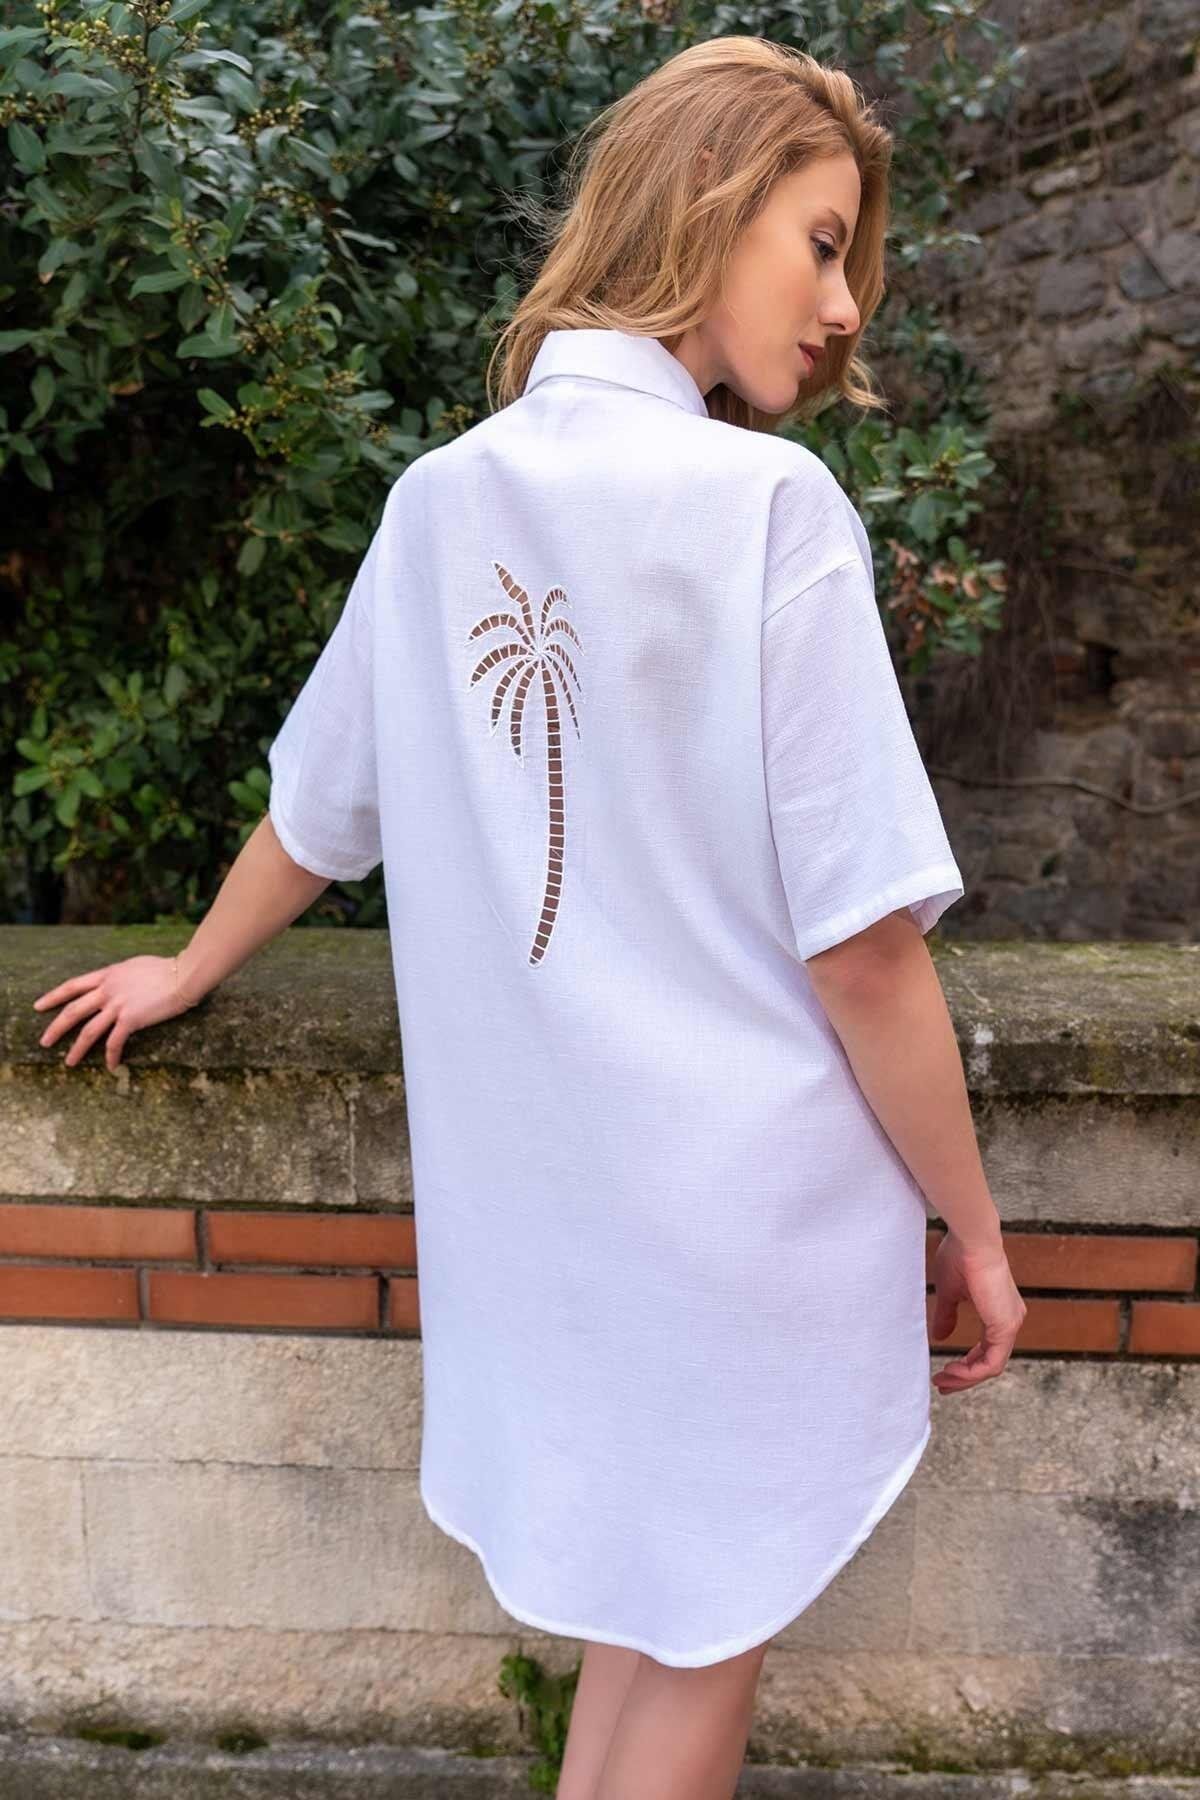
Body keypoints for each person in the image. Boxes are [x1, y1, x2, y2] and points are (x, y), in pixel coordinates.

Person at [30, 35, 1026, 1800]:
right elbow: (865, 946)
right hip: (751, 1219)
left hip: (555, 1229)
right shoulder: (771, 508)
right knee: (697, 1641)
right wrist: (977, 1227)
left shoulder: (443, 499)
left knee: (647, 1635)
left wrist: (195, 962)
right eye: (821, 244)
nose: (845, 308)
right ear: (706, 203)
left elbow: (321, 809)